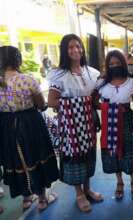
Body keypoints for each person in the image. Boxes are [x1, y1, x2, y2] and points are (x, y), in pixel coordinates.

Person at [47, 34, 103, 212]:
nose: (75, 50)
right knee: (74, 158)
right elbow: (51, 101)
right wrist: (77, 104)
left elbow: (94, 100)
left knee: (88, 154)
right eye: (70, 47)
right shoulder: (59, 74)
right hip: (71, 124)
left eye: (78, 46)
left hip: (89, 120)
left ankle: (87, 189)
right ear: (64, 50)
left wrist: (108, 104)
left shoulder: (91, 72)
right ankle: (79, 193)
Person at [0, 46, 59, 211]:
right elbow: (41, 105)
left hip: (6, 127)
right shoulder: (27, 80)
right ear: (17, 59)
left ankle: (26, 199)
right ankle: (42, 199)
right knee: (35, 157)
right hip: (30, 124)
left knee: (17, 160)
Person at [97, 50, 133, 200]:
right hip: (109, 121)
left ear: (123, 64)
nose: (114, 66)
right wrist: (106, 108)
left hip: (127, 120)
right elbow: (93, 100)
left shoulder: (131, 82)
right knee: (114, 151)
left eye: (117, 63)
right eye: (111, 64)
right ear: (107, 66)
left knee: (129, 151)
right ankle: (120, 182)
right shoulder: (101, 83)